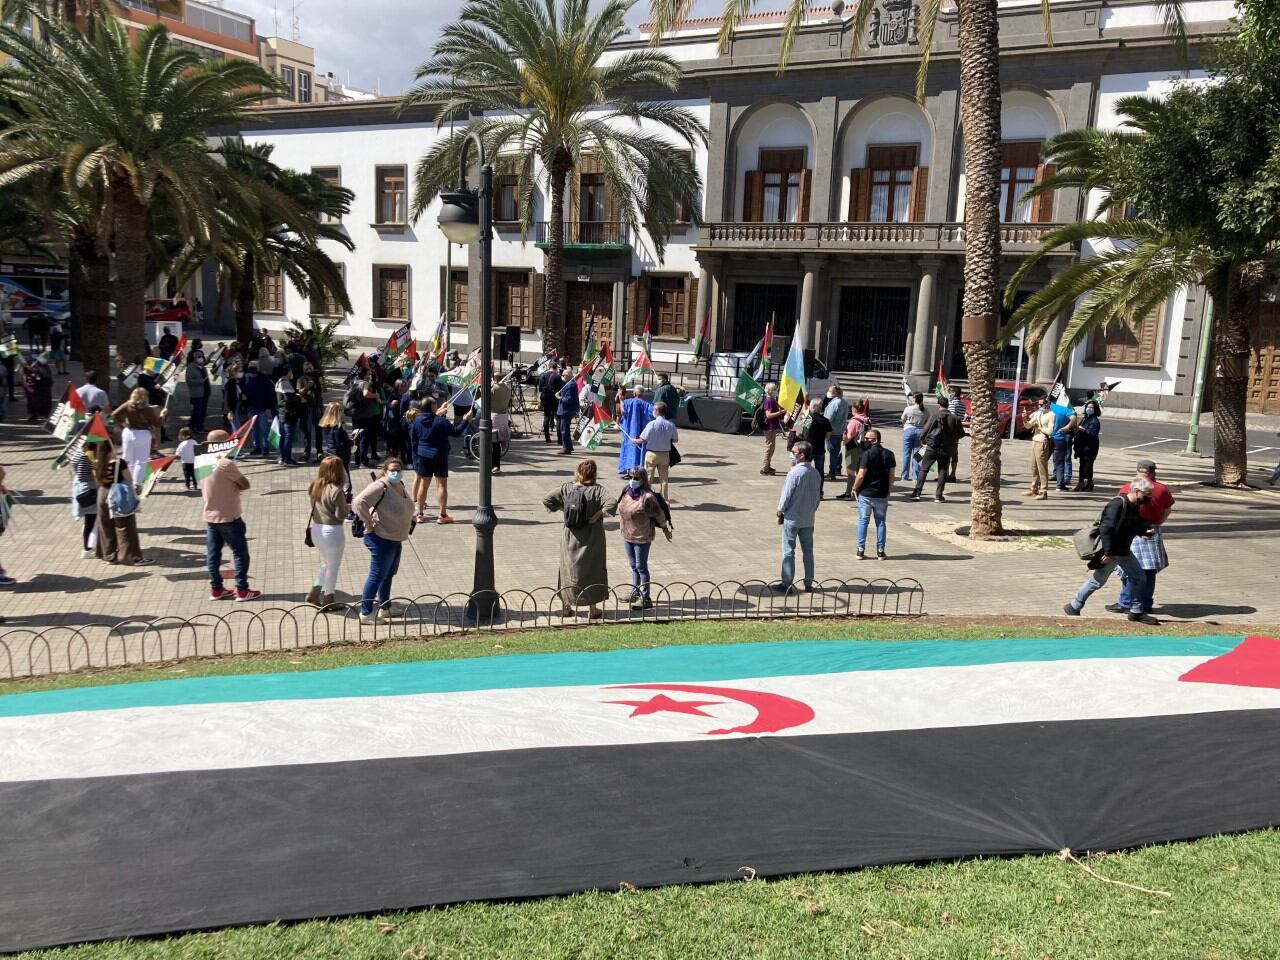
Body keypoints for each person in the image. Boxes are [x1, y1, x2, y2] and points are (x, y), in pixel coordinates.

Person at [1063, 477, 1159, 624]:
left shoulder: (1134, 505)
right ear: (1137, 491)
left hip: (1123, 551)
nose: (1149, 498)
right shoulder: (1117, 504)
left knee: (1138, 577)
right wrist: (1108, 553)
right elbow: (1106, 529)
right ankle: (1074, 606)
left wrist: (1143, 531)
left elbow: (1132, 523)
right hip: (1113, 552)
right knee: (1098, 581)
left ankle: (1136, 612)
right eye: (1147, 494)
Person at [542, 458, 617, 618]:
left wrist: (566, 511)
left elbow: (547, 500)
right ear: (594, 473)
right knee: (593, 570)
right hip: (592, 537)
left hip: (570, 536)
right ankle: (593, 609)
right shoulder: (598, 490)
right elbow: (612, 504)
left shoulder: (566, 488)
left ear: (578, 472)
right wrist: (597, 514)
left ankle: (565, 607)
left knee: (567, 570)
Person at [352, 458, 415, 624]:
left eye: (399, 469)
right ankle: (365, 613)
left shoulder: (399, 485)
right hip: (381, 538)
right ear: (385, 471)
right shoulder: (380, 486)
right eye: (392, 469)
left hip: (395, 537)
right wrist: (369, 522)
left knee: (388, 574)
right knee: (377, 575)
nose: (396, 472)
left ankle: (385, 607)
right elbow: (358, 502)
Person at [200, 429, 260, 601]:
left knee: (213, 554)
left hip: (210, 516)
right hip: (228, 516)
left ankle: (216, 589)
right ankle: (241, 589)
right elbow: (245, 484)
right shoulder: (225, 464)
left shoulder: (202, 462)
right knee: (240, 553)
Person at [1113, 460, 1176, 616]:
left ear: (1137, 471)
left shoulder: (1128, 488)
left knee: (1130, 569)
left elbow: (1120, 508)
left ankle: (1126, 602)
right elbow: (1168, 509)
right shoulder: (1162, 489)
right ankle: (1146, 602)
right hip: (1152, 529)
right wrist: (1159, 521)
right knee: (1149, 571)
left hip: (1132, 530)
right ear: (1153, 472)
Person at [89, 435, 152, 566]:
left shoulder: (96, 463)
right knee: (125, 525)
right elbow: (128, 479)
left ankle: (109, 555)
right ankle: (132, 556)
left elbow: (97, 480)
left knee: (105, 526)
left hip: (102, 494)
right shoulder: (118, 463)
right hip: (117, 494)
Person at [616, 466, 673, 610]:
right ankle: (635, 592)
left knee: (641, 567)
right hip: (627, 535)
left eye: (636, 478)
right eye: (630, 477)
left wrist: (666, 529)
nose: (632, 480)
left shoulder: (647, 497)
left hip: (642, 537)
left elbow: (659, 515)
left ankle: (646, 598)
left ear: (643, 479)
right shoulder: (626, 492)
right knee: (633, 566)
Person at [407, 398, 468, 524]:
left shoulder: (416, 421)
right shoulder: (441, 421)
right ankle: (442, 515)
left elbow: (413, 440)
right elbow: (456, 432)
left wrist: (416, 456)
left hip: (423, 454)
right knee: (441, 485)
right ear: (433, 406)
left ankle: (420, 513)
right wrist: (466, 420)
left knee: (424, 484)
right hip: (439, 455)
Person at [773, 440, 822, 592]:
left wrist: (780, 510)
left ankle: (786, 583)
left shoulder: (794, 473)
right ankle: (808, 583)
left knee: (788, 551)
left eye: (794, 453)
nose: (792, 455)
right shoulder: (815, 473)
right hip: (808, 518)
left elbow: (786, 494)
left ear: (802, 455)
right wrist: (812, 510)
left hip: (792, 518)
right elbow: (817, 498)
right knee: (808, 551)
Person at [306, 455, 349, 610]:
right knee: (333, 567)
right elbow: (340, 515)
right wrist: (348, 508)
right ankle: (329, 598)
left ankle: (314, 592)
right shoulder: (337, 491)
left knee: (326, 564)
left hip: (316, 530)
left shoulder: (315, 485)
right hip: (333, 532)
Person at [853, 428, 895, 560]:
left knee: (863, 521)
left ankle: (860, 550)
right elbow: (892, 475)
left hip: (866, 494)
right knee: (881, 522)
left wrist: (854, 487)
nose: (865, 441)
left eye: (867, 439)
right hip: (881, 493)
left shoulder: (867, 454)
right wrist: (889, 490)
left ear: (875, 440)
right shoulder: (889, 454)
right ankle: (880, 551)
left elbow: (861, 475)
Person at [911, 396, 963, 503]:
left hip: (932, 447)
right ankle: (938, 496)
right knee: (943, 472)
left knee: (924, 470)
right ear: (948, 405)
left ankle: (917, 493)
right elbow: (961, 434)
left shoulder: (934, 415)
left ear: (939, 404)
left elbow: (925, 430)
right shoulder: (955, 419)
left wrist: (923, 440)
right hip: (946, 449)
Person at [111, 387, 164, 490]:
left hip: (128, 433)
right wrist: (162, 415)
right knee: (141, 460)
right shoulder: (147, 410)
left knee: (127, 458)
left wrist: (125, 424)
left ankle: (125, 480)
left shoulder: (128, 405)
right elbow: (157, 424)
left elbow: (114, 414)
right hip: (143, 434)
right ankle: (136, 483)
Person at [835, 398, 872, 500]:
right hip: (863, 448)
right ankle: (856, 490)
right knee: (858, 469)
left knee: (850, 470)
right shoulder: (866, 419)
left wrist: (843, 442)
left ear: (854, 409)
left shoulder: (854, 421)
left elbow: (849, 436)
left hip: (851, 449)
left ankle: (850, 492)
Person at [69, 439, 98, 557]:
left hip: (81, 489)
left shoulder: (77, 454)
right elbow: (82, 476)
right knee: (90, 520)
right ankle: (87, 548)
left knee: (89, 521)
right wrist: (95, 474)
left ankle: (89, 546)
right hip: (87, 490)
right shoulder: (83, 457)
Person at [1024, 395, 1057, 500]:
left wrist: (1040, 428)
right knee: (1033, 466)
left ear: (1047, 404)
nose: (1039, 406)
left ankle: (1043, 491)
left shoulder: (1051, 415)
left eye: (1042, 404)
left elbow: (1050, 431)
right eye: (1038, 404)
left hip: (1043, 441)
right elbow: (1028, 426)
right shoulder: (1038, 413)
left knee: (1041, 467)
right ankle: (1034, 488)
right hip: (1035, 440)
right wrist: (1024, 418)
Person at [346, 371, 381, 467]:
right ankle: (363, 461)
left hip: (355, 413)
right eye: (368, 374)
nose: (369, 376)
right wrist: (375, 395)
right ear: (365, 375)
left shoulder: (354, 382)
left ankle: (357, 460)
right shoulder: (365, 383)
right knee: (364, 438)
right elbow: (366, 394)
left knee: (356, 436)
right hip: (364, 414)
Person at [241, 361, 276, 456]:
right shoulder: (246, 377)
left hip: (262, 408)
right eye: (251, 367)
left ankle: (265, 447)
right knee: (254, 429)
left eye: (255, 367)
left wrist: (269, 407)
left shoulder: (264, 378)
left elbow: (269, 393)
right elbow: (243, 390)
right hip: (250, 407)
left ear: (258, 368)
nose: (252, 369)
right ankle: (257, 447)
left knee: (263, 428)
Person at [319, 401, 353, 498]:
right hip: (340, 457)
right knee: (346, 483)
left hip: (330, 454)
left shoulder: (325, 425)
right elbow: (340, 444)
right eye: (340, 410)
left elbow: (331, 442)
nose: (342, 413)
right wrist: (350, 442)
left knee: (332, 480)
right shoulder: (337, 429)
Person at [617, 385, 653, 476]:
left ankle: (629, 469)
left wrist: (621, 399)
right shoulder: (648, 405)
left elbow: (622, 412)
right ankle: (639, 470)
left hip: (629, 431)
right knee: (640, 450)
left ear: (634, 393)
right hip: (642, 433)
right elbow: (652, 418)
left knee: (628, 449)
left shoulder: (628, 402)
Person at [804, 397, 833, 497]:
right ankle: (819, 492)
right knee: (819, 471)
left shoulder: (808, 419)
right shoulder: (825, 421)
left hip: (807, 449)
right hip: (820, 449)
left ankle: (806, 490)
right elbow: (829, 435)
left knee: (805, 470)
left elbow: (798, 433)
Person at [822, 385, 850, 482]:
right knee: (838, 451)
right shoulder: (844, 402)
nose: (828, 393)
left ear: (835, 393)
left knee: (833, 453)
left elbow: (828, 420)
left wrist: (825, 431)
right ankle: (837, 469)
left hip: (832, 432)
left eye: (830, 391)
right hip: (840, 431)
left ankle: (832, 472)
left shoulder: (834, 404)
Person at [295, 362, 322, 463]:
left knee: (319, 431)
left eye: (311, 368)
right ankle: (307, 452)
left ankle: (320, 452)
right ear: (304, 370)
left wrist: (321, 382)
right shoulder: (301, 379)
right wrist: (307, 386)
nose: (310, 371)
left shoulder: (317, 378)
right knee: (307, 431)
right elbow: (299, 392)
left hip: (317, 407)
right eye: (307, 369)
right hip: (306, 409)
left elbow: (324, 390)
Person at [1073, 400, 1101, 491]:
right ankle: (1084, 483)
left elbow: (1092, 434)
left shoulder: (1094, 421)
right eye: (1088, 407)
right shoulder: (1085, 418)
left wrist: (1083, 430)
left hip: (1089, 448)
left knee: (1087, 466)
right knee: (1082, 465)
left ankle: (1086, 483)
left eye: (1092, 408)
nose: (1089, 409)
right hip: (1082, 447)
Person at [899, 392, 928, 481]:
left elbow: (902, 419)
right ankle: (916, 477)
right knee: (917, 455)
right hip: (920, 431)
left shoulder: (908, 409)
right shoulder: (926, 410)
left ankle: (904, 476)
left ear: (914, 399)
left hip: (908, 430)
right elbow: (928, 421)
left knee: (906, 454)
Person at [1051, 400, 1079, 491]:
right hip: (1058, 437)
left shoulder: (1067, 409)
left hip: (1064, 436)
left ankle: (1066, 476)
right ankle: (1058, 478)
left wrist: (1070, 428)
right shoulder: (1059, 409)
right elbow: (1074, 419)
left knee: (1065, 457)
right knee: (1059, 459)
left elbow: (1074, 420)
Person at [760, 382, 785, 476]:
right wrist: (780, 412)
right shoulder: (769, 400)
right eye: (775, 389)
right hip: (769, 427)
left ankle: (768, 466)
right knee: (769, 447)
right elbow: (768, 415)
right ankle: (764, 468)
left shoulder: (772, 399)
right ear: (770, 390)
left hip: (772, 426)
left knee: (771, 447)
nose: (776, 390)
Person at [184, 341, 210, 434]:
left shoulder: (202, 367)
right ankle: (192, 426)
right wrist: (200, 381)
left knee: (203, 411)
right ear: (194, 358)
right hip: (196, 393)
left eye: (201, 356)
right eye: (198, 356)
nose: (200, 358)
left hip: (205, 391)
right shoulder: (191, 367)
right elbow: (189, 381)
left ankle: (200, 426)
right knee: (197, 411)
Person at [538, 363, 564, 443]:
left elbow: (540, 388)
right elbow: (561, 388)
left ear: (549, 367)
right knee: (558, 417)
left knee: (546, 416)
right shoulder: (557, 376)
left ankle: (547, 438)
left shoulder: (543, 376)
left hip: (545, 398)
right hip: (554, 398)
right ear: (556, 368)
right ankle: (560, 439)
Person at [22, 353, 52, 422]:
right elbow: (26, 374)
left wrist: (35, 371)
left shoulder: (44, 367)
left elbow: (45, 374)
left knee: (45, 401)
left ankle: (46, 415)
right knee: (33, 401)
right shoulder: (31, 364)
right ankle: (34, 414)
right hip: (34, 387)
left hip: (44, 386)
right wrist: (28, 369)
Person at [555, 373, 580, 456]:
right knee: (566, 429)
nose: (563, 376)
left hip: (567, 410)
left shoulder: (571, 385)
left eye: (564, 375)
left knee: (564, 429)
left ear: (569, 376)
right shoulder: (569, 384)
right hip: (566, 410)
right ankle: (569, 446)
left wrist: (559, 397)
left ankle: (566, 448)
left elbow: (569, 399)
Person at [946, 385, 965, 481]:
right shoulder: (962, 405)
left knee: (947, 453)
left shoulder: (953, 404)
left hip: (950, 431)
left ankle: (946, 474)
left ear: (954, 393)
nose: (950, 394)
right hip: (957, 431)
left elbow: (951, 417)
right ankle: (952, 474)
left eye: (951, 392)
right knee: (954, 453)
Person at [222, 364, 244, 434]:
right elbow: (227, 398)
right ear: (234, 372)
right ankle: (236, 436)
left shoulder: (238, 382)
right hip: (232, 406)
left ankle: (237, 434)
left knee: (237, 421)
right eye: (239, 371)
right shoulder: (229, 383)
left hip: (237, 404)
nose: (241, 373)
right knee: (235, 422)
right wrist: (229, 410)